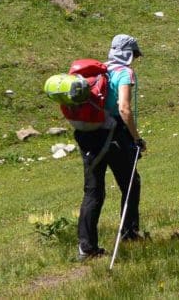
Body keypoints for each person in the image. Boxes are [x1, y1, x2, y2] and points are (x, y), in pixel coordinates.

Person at [73, 34, 145, 261]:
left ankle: (87, 248)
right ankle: (129, 234)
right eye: (134, 54)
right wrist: (136, 138)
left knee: (93, 192)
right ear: (129, 53)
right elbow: (123, 108)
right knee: (131, 184)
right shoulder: (124, 72)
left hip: (87, 137)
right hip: (113, 136)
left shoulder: (99, 71)